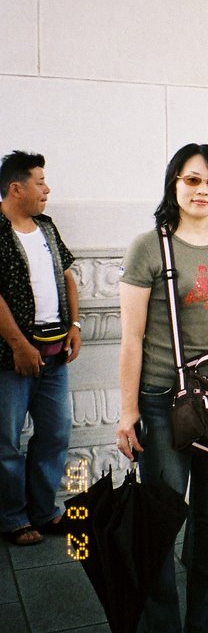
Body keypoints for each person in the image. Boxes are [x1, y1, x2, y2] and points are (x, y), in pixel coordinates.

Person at [116, 143, 208, 633]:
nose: (202, 190)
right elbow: (130, 338)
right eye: (193, 179)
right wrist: (127, 412)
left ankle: (206, 626)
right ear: (174, 183)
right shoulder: (149, 247)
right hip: (161, 398)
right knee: (165, 516)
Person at [0, 151, 81, 546]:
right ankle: (13, 517)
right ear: (16, 188)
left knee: (55, 433)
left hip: (55, 355)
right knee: (6, 441)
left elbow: (67, 274)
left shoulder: (47, 228)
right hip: (10, 359)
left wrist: (76, 325)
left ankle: (44, 511)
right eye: (39, 182)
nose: (46, 189)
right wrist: (18, 344)